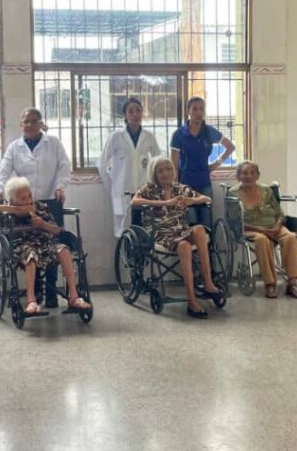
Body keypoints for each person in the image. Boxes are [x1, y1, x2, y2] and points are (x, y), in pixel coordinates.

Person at [0, 107, 71, 308]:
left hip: (50, 201)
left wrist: (60, 186)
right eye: (26, 121)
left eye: (34, 121)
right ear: (21, 124)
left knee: (51, 243)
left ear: (41, 123)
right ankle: (35, 293)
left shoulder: (53, 143)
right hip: (25, 205)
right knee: (32, 244)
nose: (29, 125)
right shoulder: (14, 147)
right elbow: (3, 170)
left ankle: (52, 291)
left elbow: (64, 165)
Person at [133, 156, 223, 319]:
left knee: (200, 230)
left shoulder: (179, 188)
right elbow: (134, 202)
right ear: (154, 174)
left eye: (168, 169)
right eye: (160, 171)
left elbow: (206, 199)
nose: (165, 173)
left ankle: (208, 282)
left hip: (180, 230)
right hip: (160, 233)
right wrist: (163, 204)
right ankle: (192, 299)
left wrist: (191, 200)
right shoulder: (149, 189)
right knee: (184, 246)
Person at [0, 177, 91, 315]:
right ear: (12, 201)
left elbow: (56, 230)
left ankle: (74, 297)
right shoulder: (8, 213)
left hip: (45, 244)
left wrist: (42, 224)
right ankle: (31, 300)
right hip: (22, 247)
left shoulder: (41, 207)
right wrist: (16, 209)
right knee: (30, 255)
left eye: (29, 195)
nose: (28, 200)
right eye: (22, 198)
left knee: (63, 250)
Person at [225, 161, 297, 299]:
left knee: (291, 237)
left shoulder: (266, 190)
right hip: (250, 228)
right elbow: (235, 221)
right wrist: (262, 230)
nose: (248, 176)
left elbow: (279, 213)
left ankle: (292, 283)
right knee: (262, 240)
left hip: (273, 226)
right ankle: (270, 284)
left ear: (257, 175)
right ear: (238, 176)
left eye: (252, 173)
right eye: (244, 173)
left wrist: (277, 226)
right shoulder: (233, 193)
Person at [98, 97, 161, 238]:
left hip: (144, 191)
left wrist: (154, 184)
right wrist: (113, 185)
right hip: (123, 191)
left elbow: (157, 161)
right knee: (126, 234)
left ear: (142, 113)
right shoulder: (116, 136)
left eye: (138, 110)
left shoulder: (148, 136)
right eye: (131, 111)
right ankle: (127, 259)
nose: (135, 114)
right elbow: (102, 163)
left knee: (145, 231)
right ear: (125, 115)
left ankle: (142, 259)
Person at [170, 96, 234, 228]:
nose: (198, 113)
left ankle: (208, 249)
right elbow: (174, 165)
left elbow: (230, 147)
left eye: (201, 109)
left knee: (206, 223)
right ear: (188, 111)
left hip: (204, 183)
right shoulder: (179, 134)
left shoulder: (209, 131)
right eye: (194, 109)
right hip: (185, 184)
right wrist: (175, 187)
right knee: (190, 222)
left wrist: (216, 163)